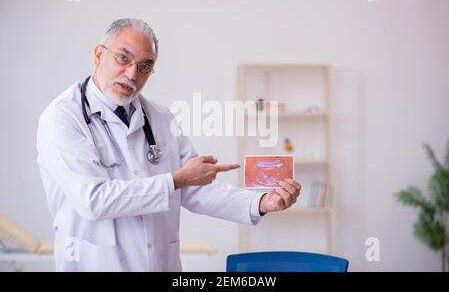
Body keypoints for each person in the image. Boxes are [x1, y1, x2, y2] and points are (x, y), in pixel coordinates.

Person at [36, 18, 301, 271]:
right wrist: (174, 180)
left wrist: (262, 202)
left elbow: (195, 190)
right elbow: (92, 200)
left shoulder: (159, 118)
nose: (131, 73)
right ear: (98, 54)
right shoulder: (62, 118)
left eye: (145, 66)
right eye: (123, 58)